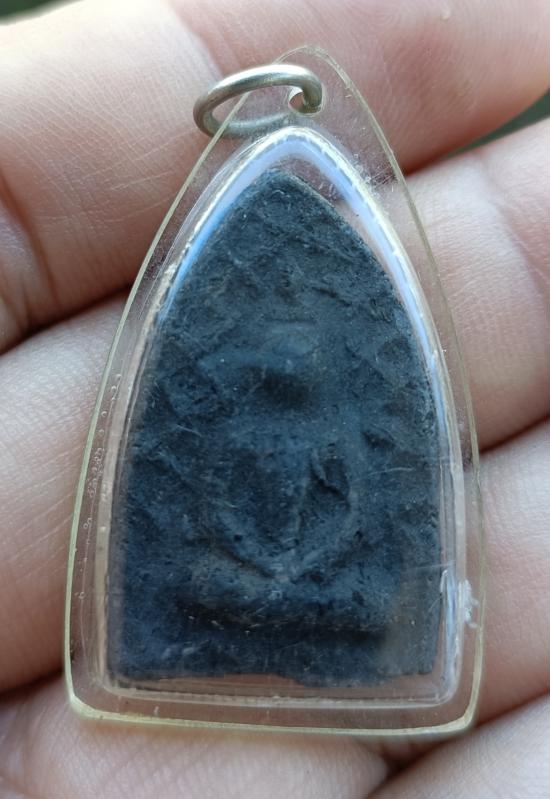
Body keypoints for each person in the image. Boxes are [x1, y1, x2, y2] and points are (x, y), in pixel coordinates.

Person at [0, 0, 549, 796]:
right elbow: (214, 501)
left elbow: (353, 510)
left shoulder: (335, 436)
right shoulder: (232, 432)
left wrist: (307, 565)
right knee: (204, 587)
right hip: (231, 579)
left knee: (370, 600)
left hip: (323, 585)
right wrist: (257, 565)